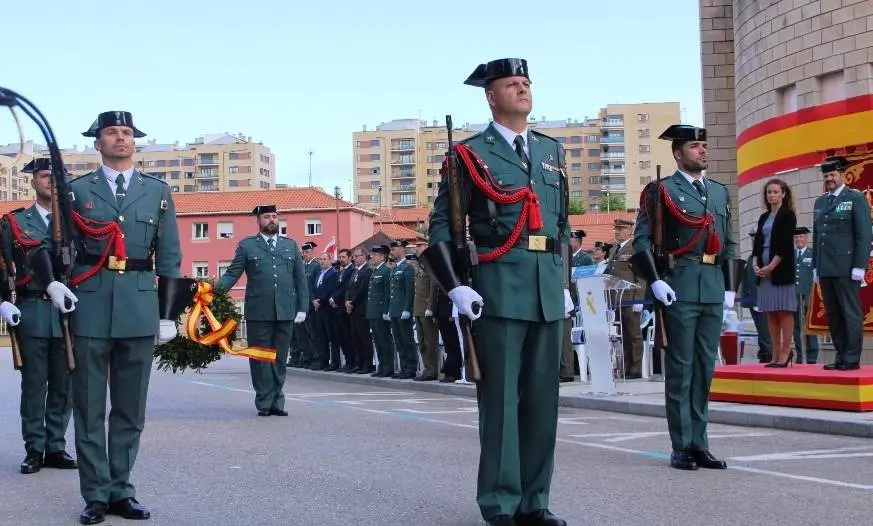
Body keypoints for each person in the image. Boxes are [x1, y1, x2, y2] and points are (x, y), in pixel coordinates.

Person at [422, 58, 571, 526]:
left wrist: (563, 282)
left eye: (527, 82)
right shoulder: (470, 154)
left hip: (546, 287)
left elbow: (561, 224)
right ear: (491, 95)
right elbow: (443, 226)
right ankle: (501, 502)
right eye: (513, 83)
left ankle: (534, 500)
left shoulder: (551, 151)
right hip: (498, 284)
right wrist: (456, 287)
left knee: (542, 401)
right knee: (502, 401)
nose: (524, 88)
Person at [28, 111, 186, 524]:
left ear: (135, 142)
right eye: (111, 132)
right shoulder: (76, 191)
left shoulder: (158, 191)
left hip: (138, 307)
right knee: (89, 406)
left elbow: (169, 255)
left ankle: (121, 490)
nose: (121, 138)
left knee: (131, 408)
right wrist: (51, 285)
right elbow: (45, 245)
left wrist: (168, 314)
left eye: (127, 133)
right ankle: (96, 493)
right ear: (97, 142)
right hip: (89, 307)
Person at [630, 124, 742, 472]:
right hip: (678, 283)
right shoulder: (661, 190)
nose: (703, 151)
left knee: (704, 368)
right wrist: (656, 281)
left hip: (710, 285)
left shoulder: (720, 193)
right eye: (695, 146)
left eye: (705, 145)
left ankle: (700, 443)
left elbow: (730, 242)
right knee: (680, 368)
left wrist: (729, 287)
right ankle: (681, 445)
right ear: (678, 153)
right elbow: (642, 240)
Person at [1, 158, 77, 475]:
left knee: (64, 385)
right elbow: (2, 265)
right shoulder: (14, 222)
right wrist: (4, 302)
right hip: (32, 309)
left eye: (57, 177)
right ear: (33, 181)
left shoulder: (77, 221)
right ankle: (34, 448)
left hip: (69, 311)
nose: (51, 182)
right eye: (46, 176)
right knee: (34, 386)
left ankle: (56, 446)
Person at [217, 204, 308, 415]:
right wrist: (211, 293)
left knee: (279, 357)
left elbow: (300, 280)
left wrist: (302, 307)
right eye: (267, 217)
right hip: (259, 311)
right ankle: (264, 401)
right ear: (258, 220)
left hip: (285, 310)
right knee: (260, 358)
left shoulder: (290, 245)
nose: (272, 220)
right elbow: (232, 274)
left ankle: (277, 401)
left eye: (275, 216)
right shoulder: (247, 246)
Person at [812, 156, 872, 371]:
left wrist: (859, 265)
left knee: (850, 313)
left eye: (832, 175)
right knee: (834, 314)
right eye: (826, 175)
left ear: (842, 175)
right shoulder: (820, 202)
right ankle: (840, 355)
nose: (829, 179)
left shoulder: (855, 198)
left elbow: (864, 234)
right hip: (826, 267)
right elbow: (818, 235)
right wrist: (816, 267)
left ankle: (852, 358)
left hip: (847, 267)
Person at [751, 178, 798, 367]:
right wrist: (756, 264)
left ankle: (786, 352)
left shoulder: (788, 215)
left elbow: (785, 245)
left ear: (783, 194)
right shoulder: (764, 217)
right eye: (769, 192)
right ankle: (776, 353)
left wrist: (771, 266)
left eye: (776, 192)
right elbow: (757, 244)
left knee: (784, 311)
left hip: (780, 269)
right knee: (770, 312)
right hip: (763, 269)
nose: (772, 195)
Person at [606, 218, 646, 378]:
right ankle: (626, 366)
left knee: (634, 335)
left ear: (630, 231)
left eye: (621, 229)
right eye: (616, 229)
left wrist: (639, 300)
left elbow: (641, 276)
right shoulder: (614, 249)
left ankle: (636, 368)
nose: (617, 232)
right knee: (624, 335)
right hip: (617, 299)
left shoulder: (635, 248)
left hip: (631, 298)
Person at [741, 230, 773, 363]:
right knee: (761, 329)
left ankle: (768, 355)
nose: (754, 241)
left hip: (762, 300)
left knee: (765, 331)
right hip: (751, 300)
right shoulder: (752, 257)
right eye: (753, 239)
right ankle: (764, 353)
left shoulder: (764, 256)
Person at [388, 239, 416, 379]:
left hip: (403, 311)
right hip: (394, 310)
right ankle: (403, 367)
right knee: (398, 341)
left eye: (394, 249)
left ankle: (410, 368)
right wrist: (389, 310)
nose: (392, 252)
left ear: (402, 250)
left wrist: (407, 309)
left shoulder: (407, 268)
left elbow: (409, 291)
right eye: (391, 250)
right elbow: (392, 292)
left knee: (407, 340)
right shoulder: (395, 268)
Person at [411, 248, 439, 381]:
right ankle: (426, 368)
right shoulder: (419, 266)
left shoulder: (430, 265)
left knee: (429, 341)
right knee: (422, 342)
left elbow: (433, 286)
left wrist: (430, 307)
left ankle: (432, 370)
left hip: (426, 309)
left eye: (420, 247)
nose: (417, 250)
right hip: (417, 308)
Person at [345, 246, 374, 373]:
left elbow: (362, 290)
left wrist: (352, 302)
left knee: (364, 338)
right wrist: (347, 301)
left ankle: (367, 364)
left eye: (357, 256)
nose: (354, 259)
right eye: (354, 256)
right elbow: (349, 288)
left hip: (361, 309)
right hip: (352, 310)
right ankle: (358, 363)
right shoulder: (355, 271)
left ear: (364, 256)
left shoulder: (368, 271)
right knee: (355, 338)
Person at [792, 227, 818, 363]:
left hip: (808, 297)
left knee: (810, 328)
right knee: (796, 328)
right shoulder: (791, 255)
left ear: (806, 239)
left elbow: (816, 277)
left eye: (801, 237)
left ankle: (812, 357)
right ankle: (801, 356)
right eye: (796, 237)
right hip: (794, 298)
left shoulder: (812, 254)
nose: (799, 239)